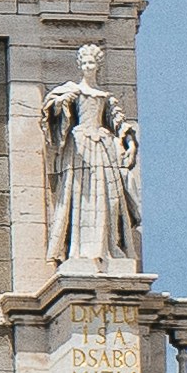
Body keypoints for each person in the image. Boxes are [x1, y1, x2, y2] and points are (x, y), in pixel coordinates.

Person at [42, 41, 145, 271]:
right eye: (85, 63)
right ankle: (77, 249)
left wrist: (130, 143)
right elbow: (53, 110)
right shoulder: (73, 91)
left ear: (97, 66)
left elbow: (118, 121)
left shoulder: (105, 96)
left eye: (92, 63)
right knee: (80, 195)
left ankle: (106, 248)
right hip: (80, 147)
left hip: (103, 148)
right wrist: (62, 103)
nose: (88, 66)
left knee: (107, 198)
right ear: (80, 65)